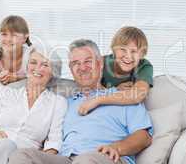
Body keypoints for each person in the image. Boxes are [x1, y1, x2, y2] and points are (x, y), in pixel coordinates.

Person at [9, 39, 153, 164]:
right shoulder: (64, 103)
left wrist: (117, 148)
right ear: (71, 69)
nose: (82, 68)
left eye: (88, 61)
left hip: (104, 157)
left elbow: (143, 137)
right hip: (66, 159)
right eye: (76, 63)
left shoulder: (122, 97)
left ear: (100, 64)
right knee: (22, 156)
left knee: (85, 161)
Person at [0, 45, 67, 164]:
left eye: (45, 65)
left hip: (22, 158)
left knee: (11, 150)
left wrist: (39, 159)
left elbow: (54, 142)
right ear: (26, 66)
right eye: (33, 62)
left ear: (53, 72)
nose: (38, 68)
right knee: (6, 145)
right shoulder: (4, 93)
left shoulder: (58, 102)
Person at [78, 26, 154, 115]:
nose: (128, 56)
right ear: (114, 50)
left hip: (124, 114)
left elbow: (137, 95)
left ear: (142, 54)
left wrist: (99, 99)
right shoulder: (101, 63)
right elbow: (85, 88)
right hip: (99, 112)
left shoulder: (143, 66)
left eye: (134, 51)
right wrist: (114, 90)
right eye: (122, 49)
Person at [0, 15, 33, 85]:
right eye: (4, 34)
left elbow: (42, 77)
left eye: (14, 35)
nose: (8, 39)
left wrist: (17, 77)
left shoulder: (31, 56)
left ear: (25, 38)